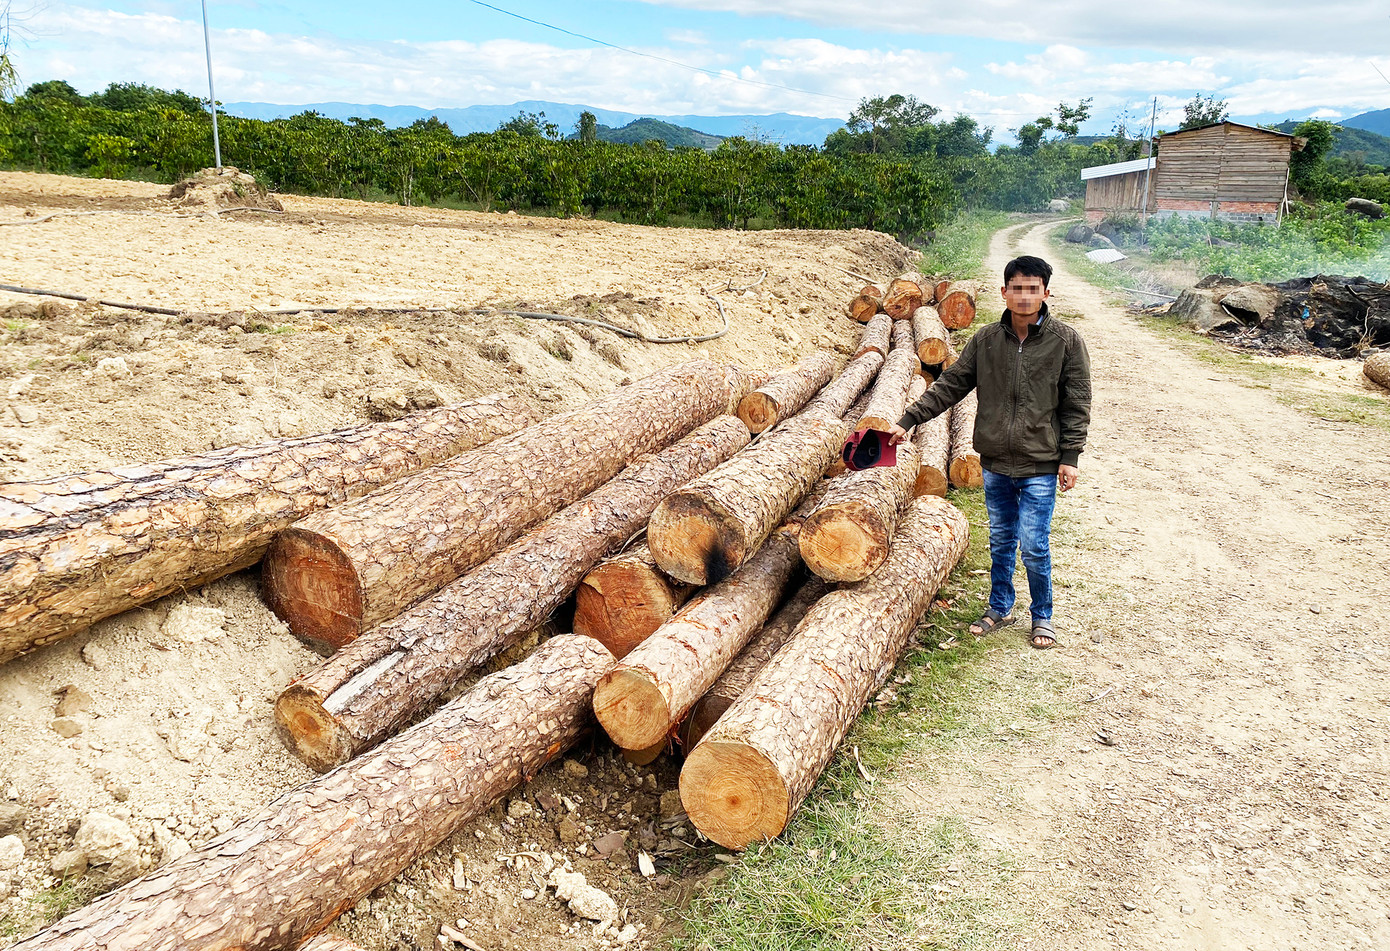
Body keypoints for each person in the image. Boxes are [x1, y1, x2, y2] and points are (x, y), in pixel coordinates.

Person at [886, 255, 1091, 649]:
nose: (1025, 296)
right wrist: (908, 419)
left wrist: (1071, 457)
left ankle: (1042, 615)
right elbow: (951, 385)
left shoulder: (1066, 342)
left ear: (1046, 293)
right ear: (1004, 292)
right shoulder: (986, 340)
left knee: (1033, 544)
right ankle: (1000, 605)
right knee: (1000, 539)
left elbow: (1077, 403)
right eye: (1017, 288)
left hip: (1041, 463)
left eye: (1033, 289)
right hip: (995, 462)